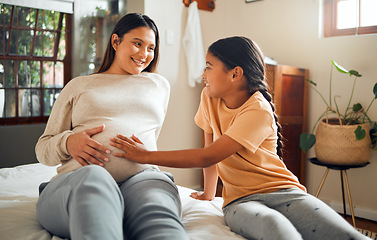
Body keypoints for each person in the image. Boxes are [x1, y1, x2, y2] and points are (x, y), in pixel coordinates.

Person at [109, 36, 369, 240]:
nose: (203, 75)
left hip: (285, 192)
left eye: (209, 68)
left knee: (341, 234)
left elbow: (209, 155)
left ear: (235, 74)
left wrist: (144, 156)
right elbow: (208, 149)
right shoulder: (208, 98)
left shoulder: (257, 109)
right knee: (276, 229)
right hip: (240, 202)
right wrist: (209, 193)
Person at [35, 13, 188, 240]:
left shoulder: (159, 86)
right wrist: (68, 142)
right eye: (137, 44)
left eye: (151, 48)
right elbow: (43, 150)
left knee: (159, 215)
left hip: (143, 180)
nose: (144, 54)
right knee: (96, 181)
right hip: (83, 179)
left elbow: (150, 136)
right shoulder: (79, 86)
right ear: (116, 41)